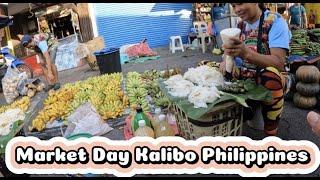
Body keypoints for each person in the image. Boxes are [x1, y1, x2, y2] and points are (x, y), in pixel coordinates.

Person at [219, 3, 291, 136]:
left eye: (240, 3)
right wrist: (226, 60)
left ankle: (271, 132)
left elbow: (279, 63)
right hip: (247, 77)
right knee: (208, 66)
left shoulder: (275, 22)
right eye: (233, 6)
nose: (237, 10)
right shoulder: (240, 25)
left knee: (270, 76)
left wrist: (247, 54)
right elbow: (231, 55)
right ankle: (239, 114)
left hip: (273, 78)